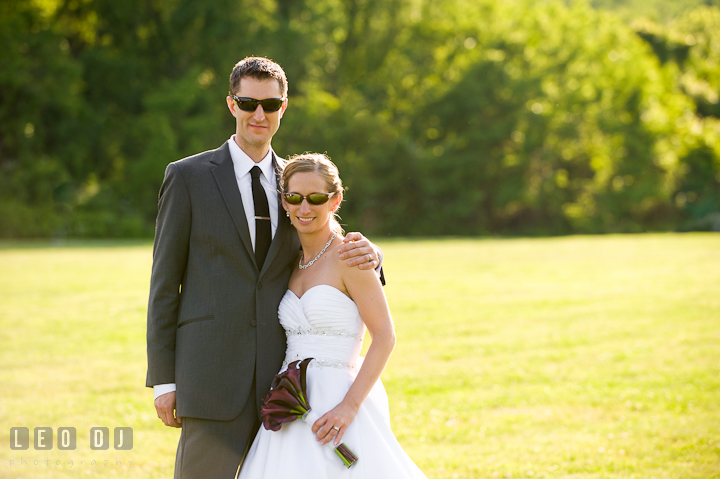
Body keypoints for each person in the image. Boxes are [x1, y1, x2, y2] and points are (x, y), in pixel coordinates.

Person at [146, 57, 382, 479]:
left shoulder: (293, 186)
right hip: (210, 378)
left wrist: (372, 254)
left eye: (270, 105)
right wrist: (164, 380)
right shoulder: (187, 177)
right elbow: (164, 285)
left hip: (284, 387)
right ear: (232, 104)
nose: (260, 114)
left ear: (283, 108)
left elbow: (322, 241)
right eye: (248, 102)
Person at [236, 153, 426, 478]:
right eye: (295, 198)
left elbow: (384, 337)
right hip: (290, 398)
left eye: (316, 198)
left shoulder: (350, 257)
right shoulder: (289, 262)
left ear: (335, 200)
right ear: (284, 201)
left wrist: (348, 407)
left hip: (340, 398)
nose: (304, 208)